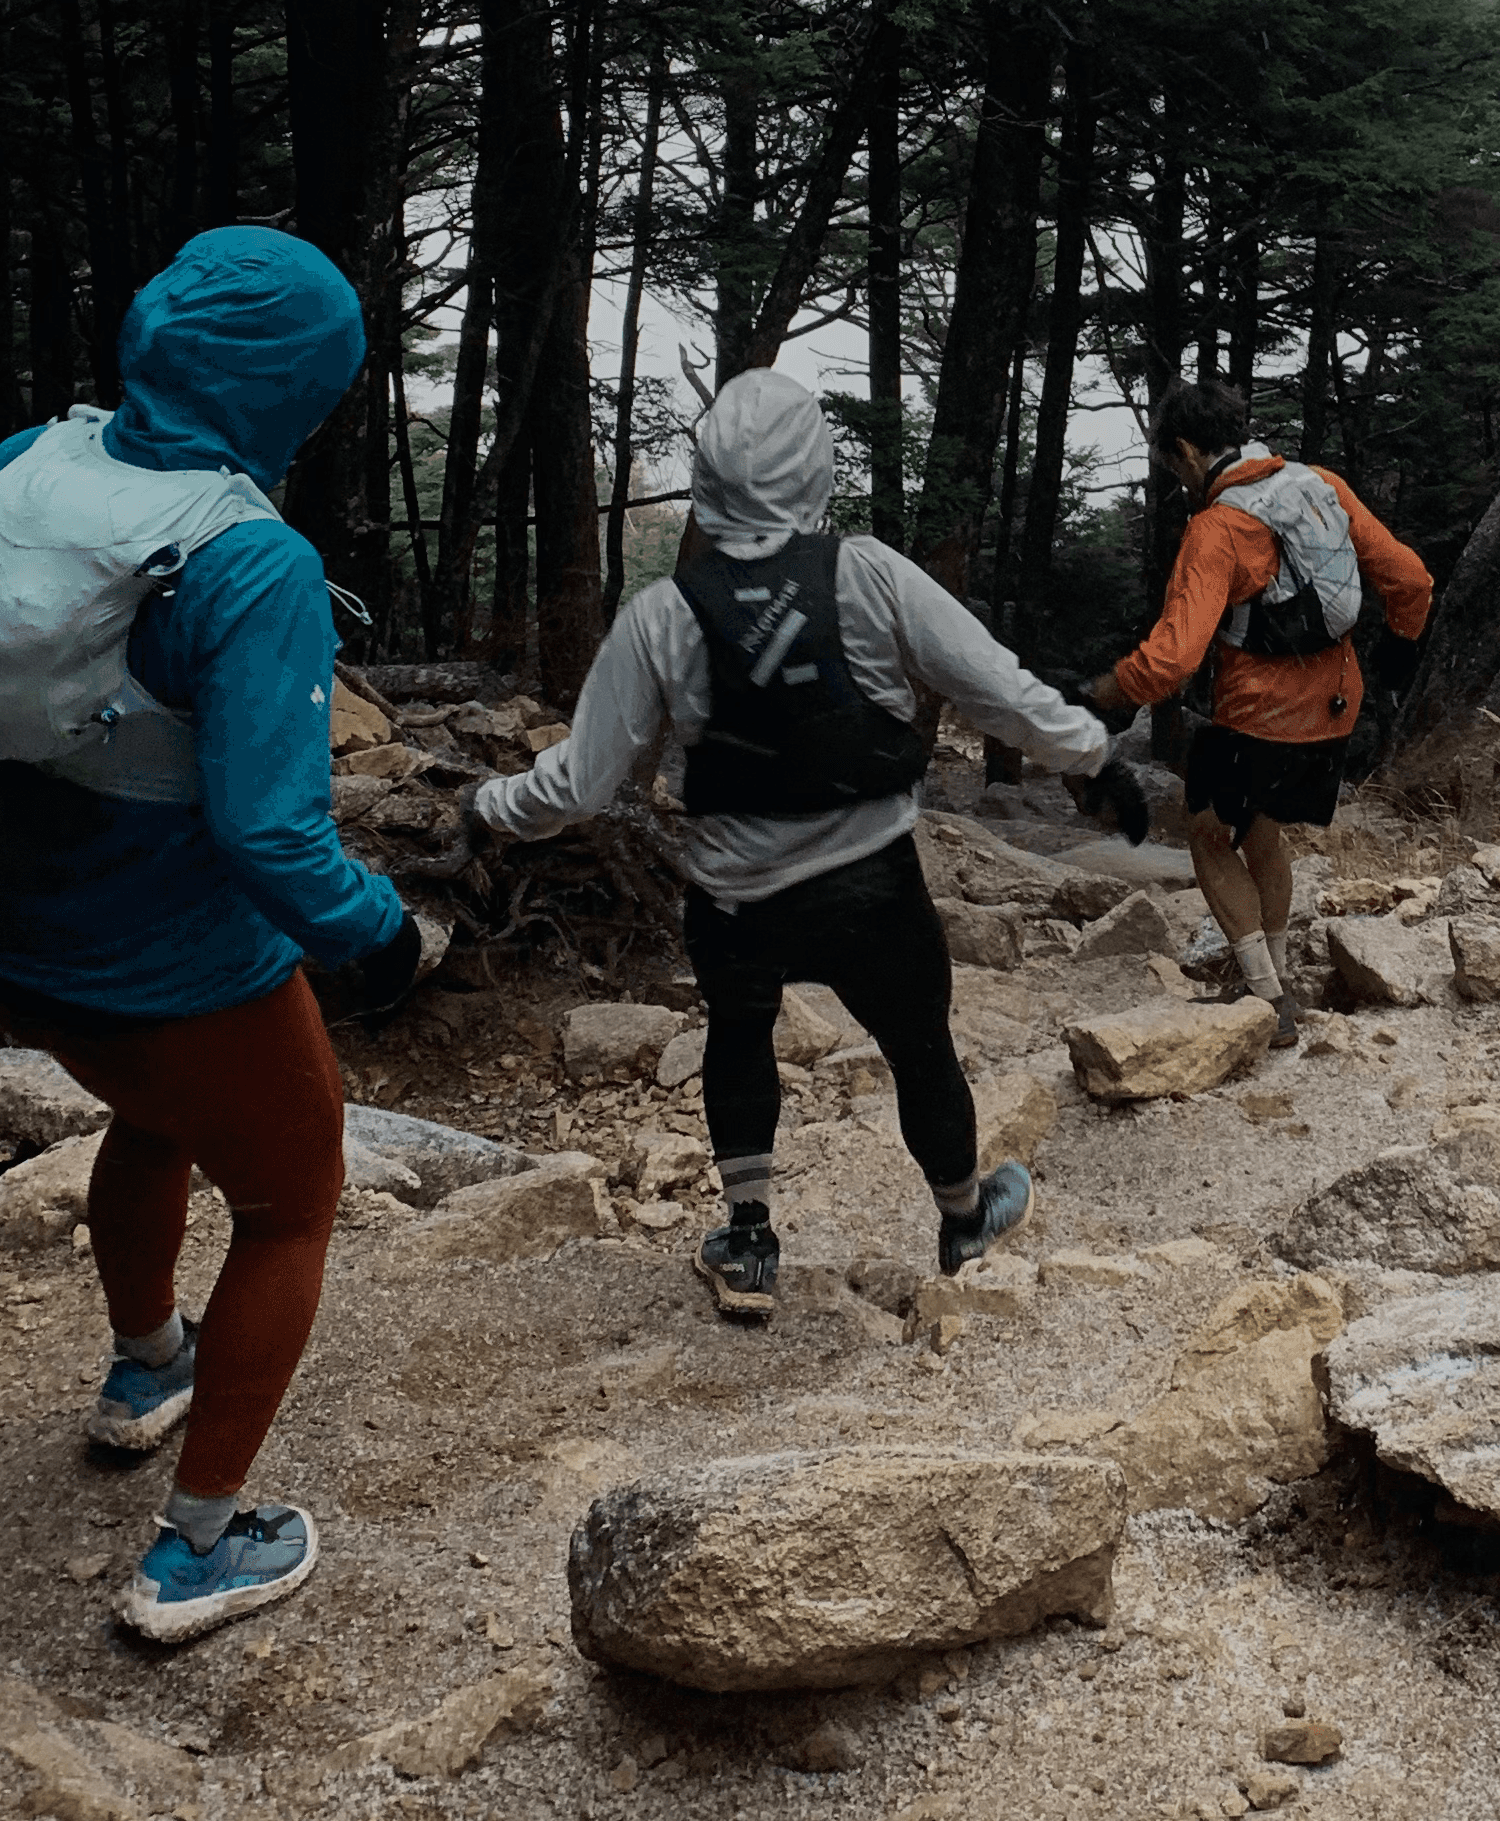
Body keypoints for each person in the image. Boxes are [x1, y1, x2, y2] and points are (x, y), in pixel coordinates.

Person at [0, 229, 429, 1648]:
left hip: (15, 934)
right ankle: (203, 1543)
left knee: (157, 1120)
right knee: (293, 1197)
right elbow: (269, 838)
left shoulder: (23, 468)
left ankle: (143, 1365)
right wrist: (386, 936)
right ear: (300, 390)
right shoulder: (251, 564)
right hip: (178, 967)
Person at [453, 365, 1116, 1322]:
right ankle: (964, 1217)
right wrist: (1089, 750)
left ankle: (751, 1239)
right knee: (920, 1045)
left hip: (733, 897)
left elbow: (580, 785)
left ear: (706, 477)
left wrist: (487, 802)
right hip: (873, 887)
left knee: (738, 1033)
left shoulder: (661, 615)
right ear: (817, 470)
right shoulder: (871, 571)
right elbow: (999, 691)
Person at [1088, 377, 1433, 1007]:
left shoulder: (1216, 530)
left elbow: (1173, 661)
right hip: (1336, 706)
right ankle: (1275, 978)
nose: (1176, 478)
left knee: (1207, 834)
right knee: (1259, 828)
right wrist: (1398, 651)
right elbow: (1411, 577)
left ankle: (1264, 999)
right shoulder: (1320, 484)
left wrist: (1108, 692)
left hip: (1259, 717)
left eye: (1172, 464)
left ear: (1187, 450)